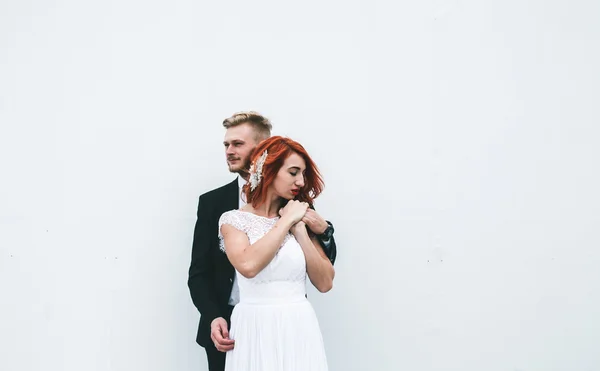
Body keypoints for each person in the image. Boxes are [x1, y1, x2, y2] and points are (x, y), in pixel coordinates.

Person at [187, 112, 338, 371]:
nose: (229, 151)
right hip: (236, 330)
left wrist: (310, 229)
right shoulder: (218, 208)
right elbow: (200, 272)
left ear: (263, 151)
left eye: (238, 144)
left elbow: (324, 275)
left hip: (296, 327)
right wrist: (213, 317)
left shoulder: (297, 206)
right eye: (227, 145)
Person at [219, 135, 333, 371]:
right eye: (293, 172)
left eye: (303, 174)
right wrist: (285, 221)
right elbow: (248, 266)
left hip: (298, 324)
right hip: (254, 326)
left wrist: (300, 231)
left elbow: (325, 283)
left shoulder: (301, 215)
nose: (301, 182)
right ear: (269, 170)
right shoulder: (233, 220)